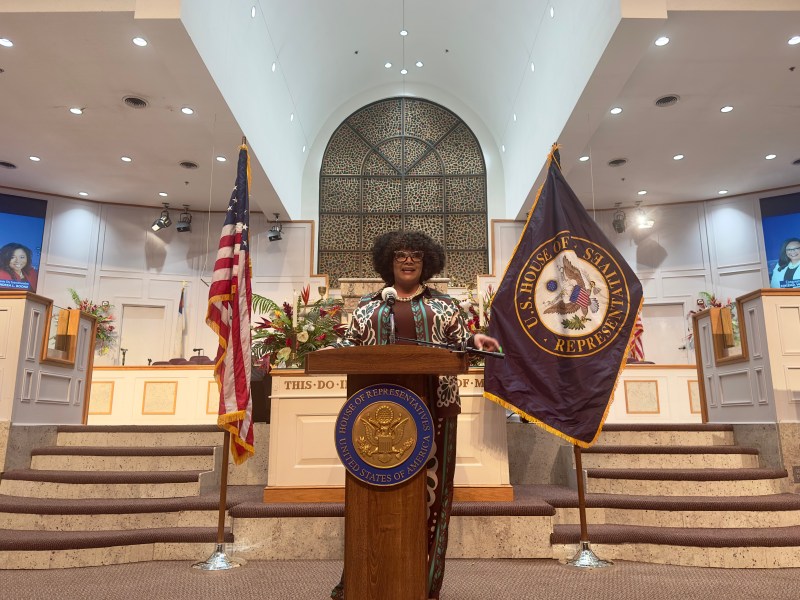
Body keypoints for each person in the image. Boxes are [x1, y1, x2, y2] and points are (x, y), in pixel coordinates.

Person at [328, 230, 500, 600]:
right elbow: (347, 346)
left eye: (417, 256)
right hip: (373, 412)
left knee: (432, 500)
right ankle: (361, 578)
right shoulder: (369, 306)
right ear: (389, 261)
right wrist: (327, 349)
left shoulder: (444, 305)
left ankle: (426, 583)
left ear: (427, 263)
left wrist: (476, 342)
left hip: (435, 409)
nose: (408, 261)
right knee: (372, 493)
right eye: (401, 255)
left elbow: (459, 342)